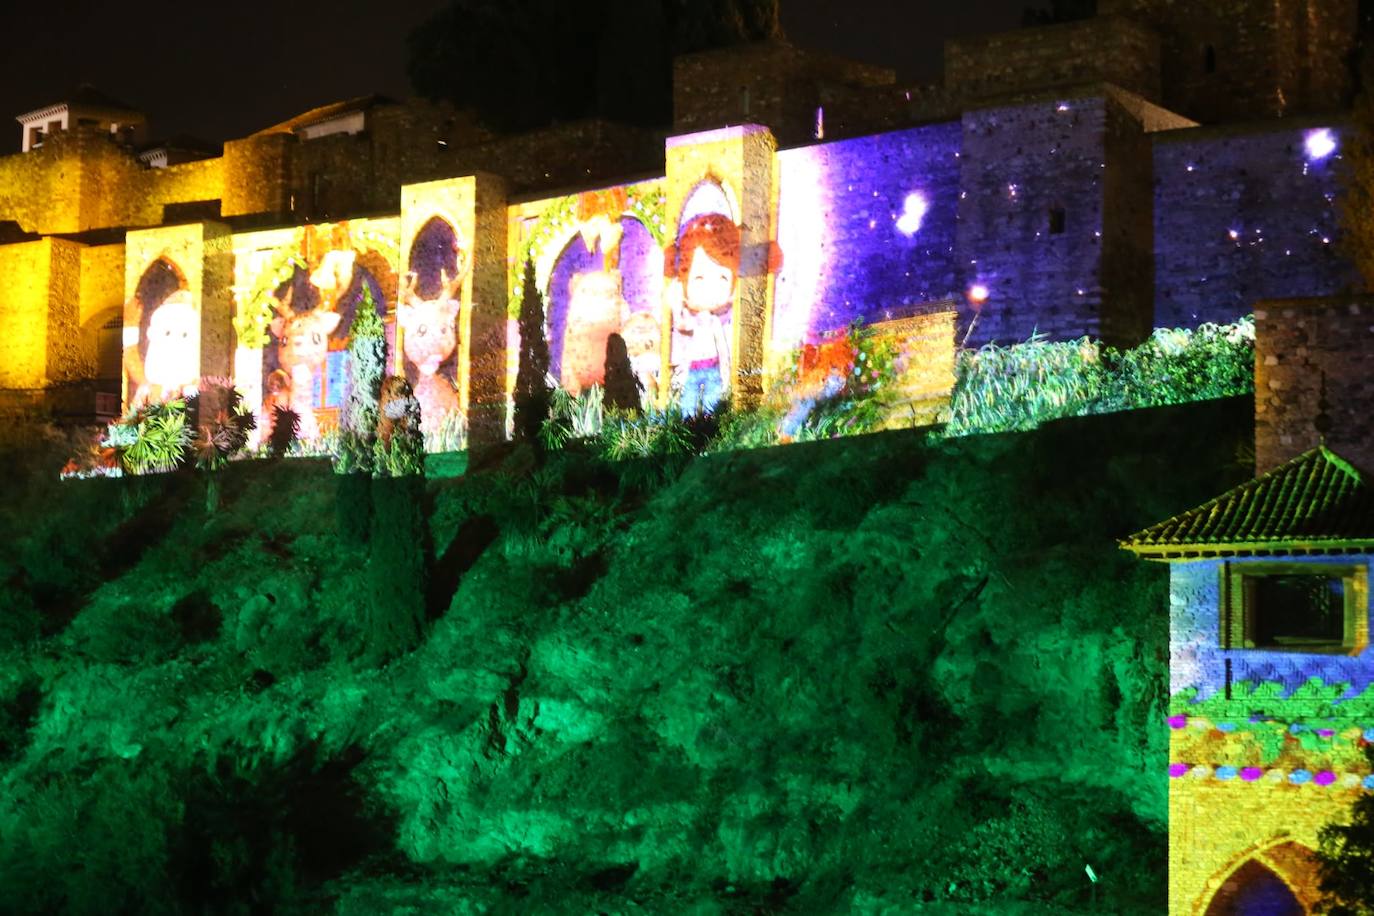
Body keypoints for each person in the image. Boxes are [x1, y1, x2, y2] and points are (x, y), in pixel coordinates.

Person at [669, 214, 739, 415]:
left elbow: (723, 349)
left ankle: (710, 422)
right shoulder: (690, 320)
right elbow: (682, 329)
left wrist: (726, 373)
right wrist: (675, 306)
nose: (711, 287)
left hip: (713, 369)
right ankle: (687, 423)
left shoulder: (718, 323)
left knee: (712, 401)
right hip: (693, 369)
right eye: (699, 277)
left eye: (723, 277)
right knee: (689, 401)